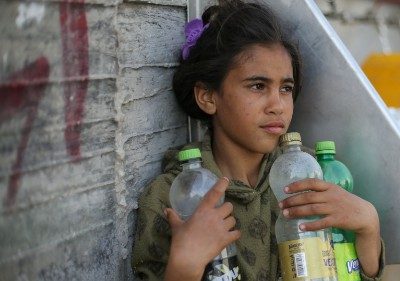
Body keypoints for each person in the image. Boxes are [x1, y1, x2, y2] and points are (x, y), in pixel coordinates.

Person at [131, 1, 384, 280]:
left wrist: (368, 228)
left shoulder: (311, 175)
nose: (277, 106)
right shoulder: (172, 195)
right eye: (257, 86)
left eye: (286, 88)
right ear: (207, 96)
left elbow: (353, 270)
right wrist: (185, 264)